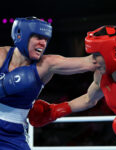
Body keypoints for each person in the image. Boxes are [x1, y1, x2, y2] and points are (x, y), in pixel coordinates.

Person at [28, 25, 116, 150]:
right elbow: (89, 99)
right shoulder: (101, 76)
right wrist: (55, 111)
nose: (92, 60)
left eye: (97, 54)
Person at [0, 17, 99, 150]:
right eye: (38, 37)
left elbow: (92, 62)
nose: (43, 43)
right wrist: (4, 87)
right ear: (20, 35)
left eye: (46, 39)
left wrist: (114, 47)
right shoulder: (1, 55)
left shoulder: (46, 64)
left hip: (13, 135)